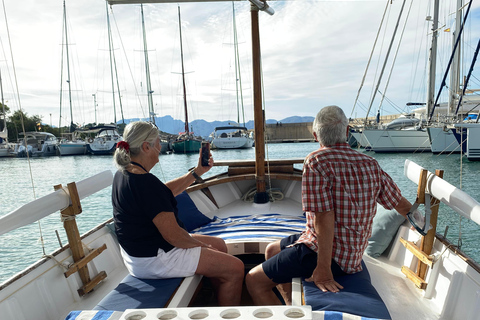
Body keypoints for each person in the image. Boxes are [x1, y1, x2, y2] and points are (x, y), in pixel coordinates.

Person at [245, 105, 412, 305]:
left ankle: (286, 308)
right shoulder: (371, 164)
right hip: (352, 253)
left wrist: (323, 269)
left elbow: (324, 217)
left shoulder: (316, 161)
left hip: (331, 256)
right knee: (272, 250)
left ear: (316, 136)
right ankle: (290, 307)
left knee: (253, 280)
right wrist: (423, 222)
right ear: (348, 131)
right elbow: (399, 204)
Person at [112, 121, 244, 306]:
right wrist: (202, 246)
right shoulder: (145, 183)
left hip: (137, 255)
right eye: (158, 142)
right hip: (155, 259)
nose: (161, 146)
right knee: (235, 268)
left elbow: (161, 193)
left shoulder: (125, 173)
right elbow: (174, 237)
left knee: (220, 245)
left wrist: (197, 172)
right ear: (146, 147)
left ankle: (218, 296)